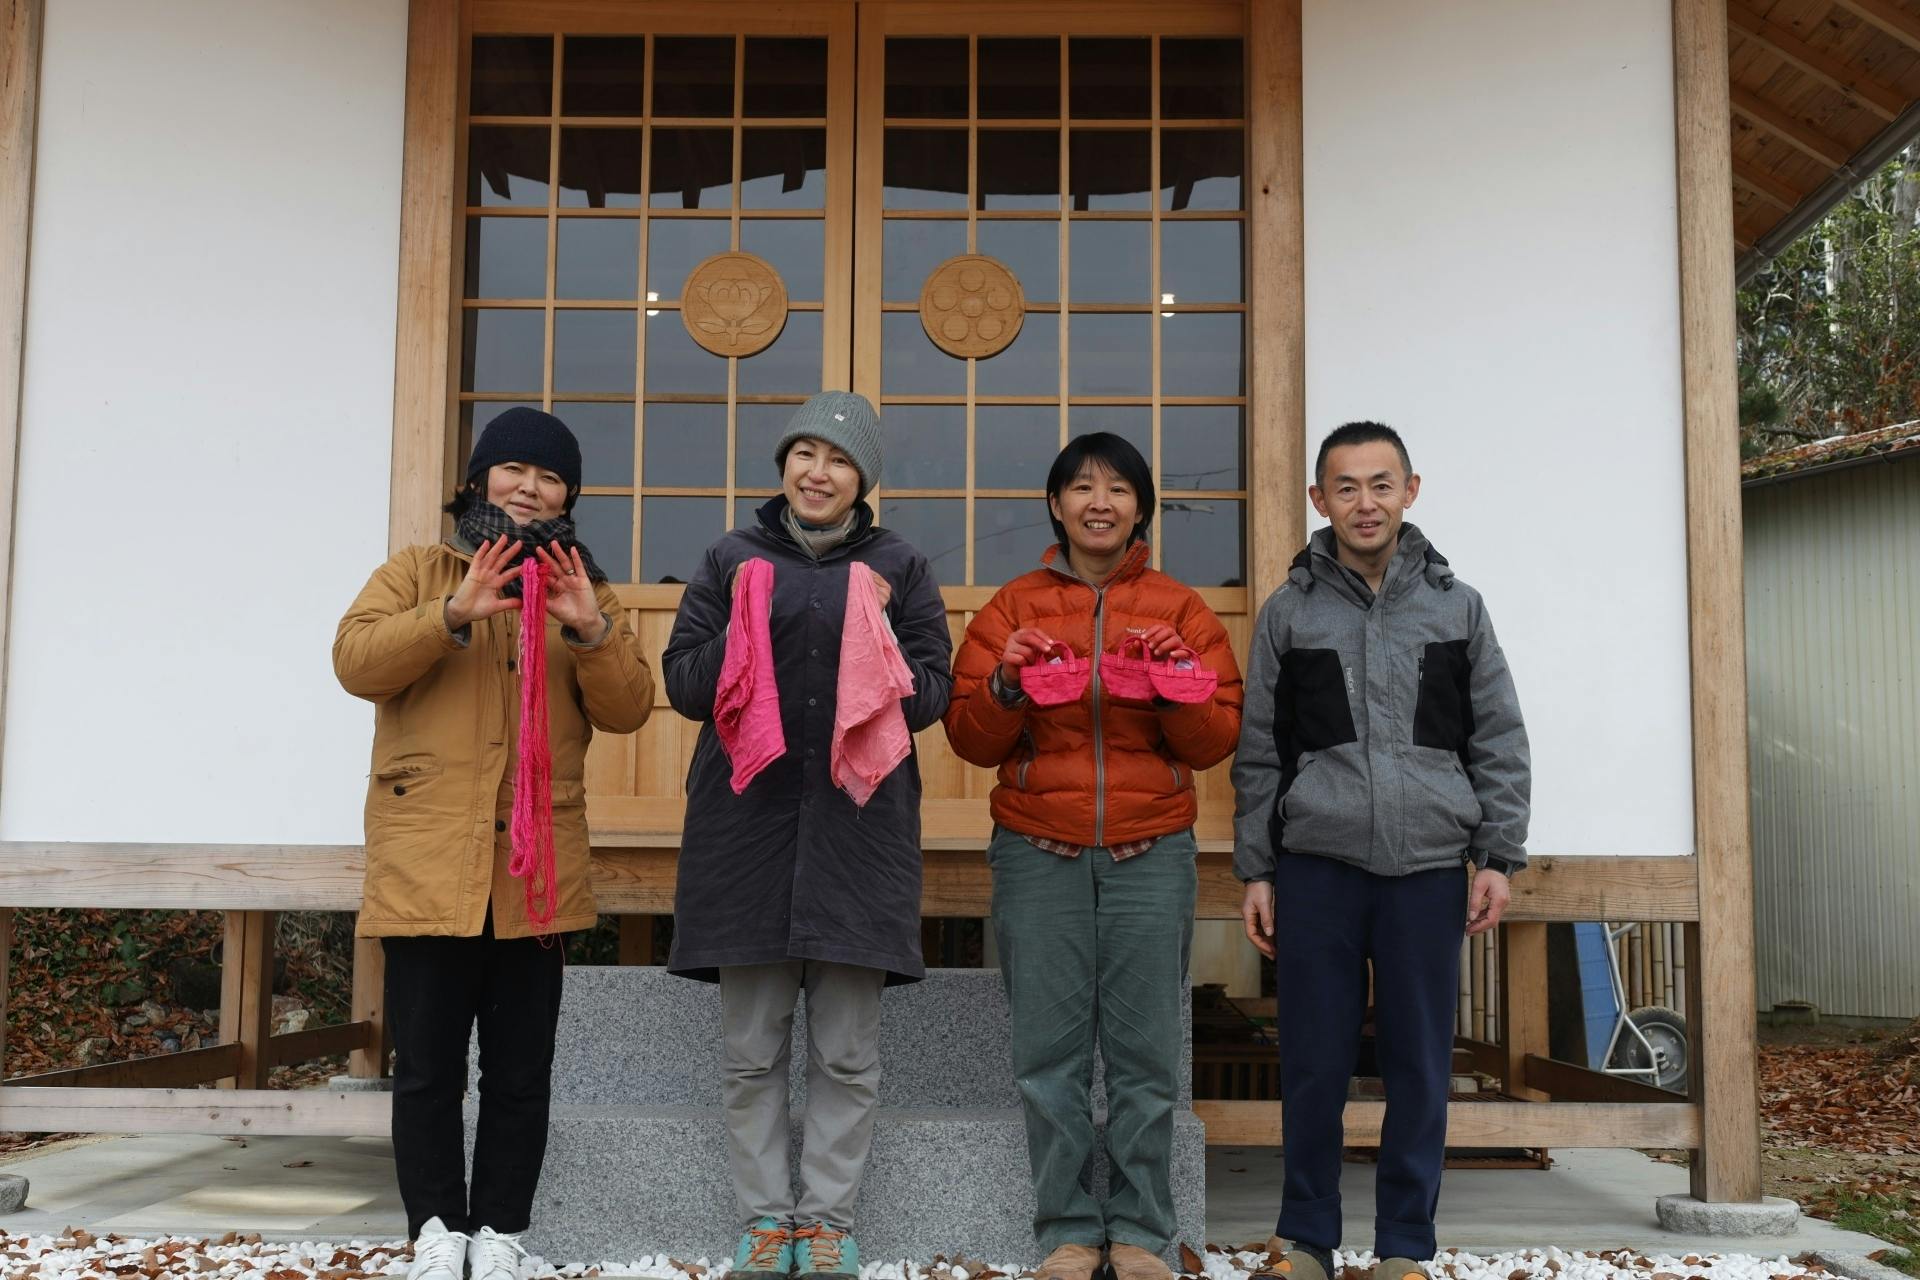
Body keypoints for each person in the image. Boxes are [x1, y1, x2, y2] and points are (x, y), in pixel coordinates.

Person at [333, 407, 656, 1280]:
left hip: (534, 869)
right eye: (513, 469)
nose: (529, 487)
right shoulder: (418, 570)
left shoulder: (584, 587)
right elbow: (355, 661)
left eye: (549, 477)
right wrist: (450, 612)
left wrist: (591, 630)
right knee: (428, 1068)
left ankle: (502, 1232)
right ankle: (437, 1231)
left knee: (520, 1072)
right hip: (428, 860)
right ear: (479, 479)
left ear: (567, 498)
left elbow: (630, 708)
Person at [662, 390, 954, 1280]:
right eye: (804, 454)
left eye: (838, 460)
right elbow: (684, 683)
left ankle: (826, 1223)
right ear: (783, 465)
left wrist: (878, 633)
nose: (817, 473)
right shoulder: (730, 557)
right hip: (744, 831)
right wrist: (745, 621)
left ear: (864, 479)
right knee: (751, 1054)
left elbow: (934, 694)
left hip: (859, 835)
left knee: (847, 1054)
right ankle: (763, 1222)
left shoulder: (901, 565)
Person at [1231, 421, 1530, 1280]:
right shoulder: (1291, 611)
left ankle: (1404, 1246)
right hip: (1317, 867)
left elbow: (1499, 736)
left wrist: (1497, 855)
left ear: (1410, 490)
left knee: (1420, 1064)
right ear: (1319, 500)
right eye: (1346, 487)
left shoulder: (1457, 606)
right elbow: (1260, 752)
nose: (1366, 502)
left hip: (1429, 869)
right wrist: (1258, 870)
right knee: (1313, 1063)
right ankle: (1306, 1240)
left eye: (1381, 483)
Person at [943, 433, 1243, 1280]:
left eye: (1118, 488)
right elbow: (968, 737)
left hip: (1152, 854)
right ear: (1056, 504)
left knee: (1148, 1056)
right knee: (1049, 1058)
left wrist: (1178, 685)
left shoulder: (1181, 609)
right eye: (1081, 487)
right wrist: (1006, 683)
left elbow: (1215, 739)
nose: (1099, 502)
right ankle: (1069, 1231)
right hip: (1039, 852)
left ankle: (1143, 1232)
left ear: (1141, 508)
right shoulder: (1013, 607)